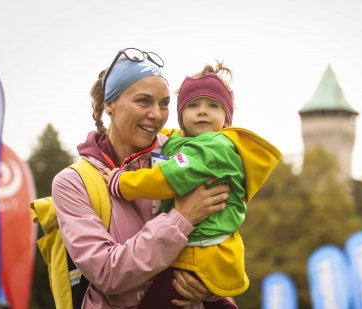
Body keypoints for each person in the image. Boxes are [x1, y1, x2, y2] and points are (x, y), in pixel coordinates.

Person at [52, 47, 231, 308]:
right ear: (109, 105)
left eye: (164, 103)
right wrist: (182, 219)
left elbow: (220, 230)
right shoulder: (73, 183)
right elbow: (106, 273)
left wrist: (210, 287)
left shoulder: (183, 155)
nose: (156, 114)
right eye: (143, 101)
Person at [105, 62, 282, 308]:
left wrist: (122, 183)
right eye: (193, 105)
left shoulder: (216, 148)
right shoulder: (187, 142)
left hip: (199, 251)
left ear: (226, 119)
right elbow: (172, 140)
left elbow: (168, 177)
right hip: (197, 247)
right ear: (181, 116)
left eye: (213, 105)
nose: (202, 112)